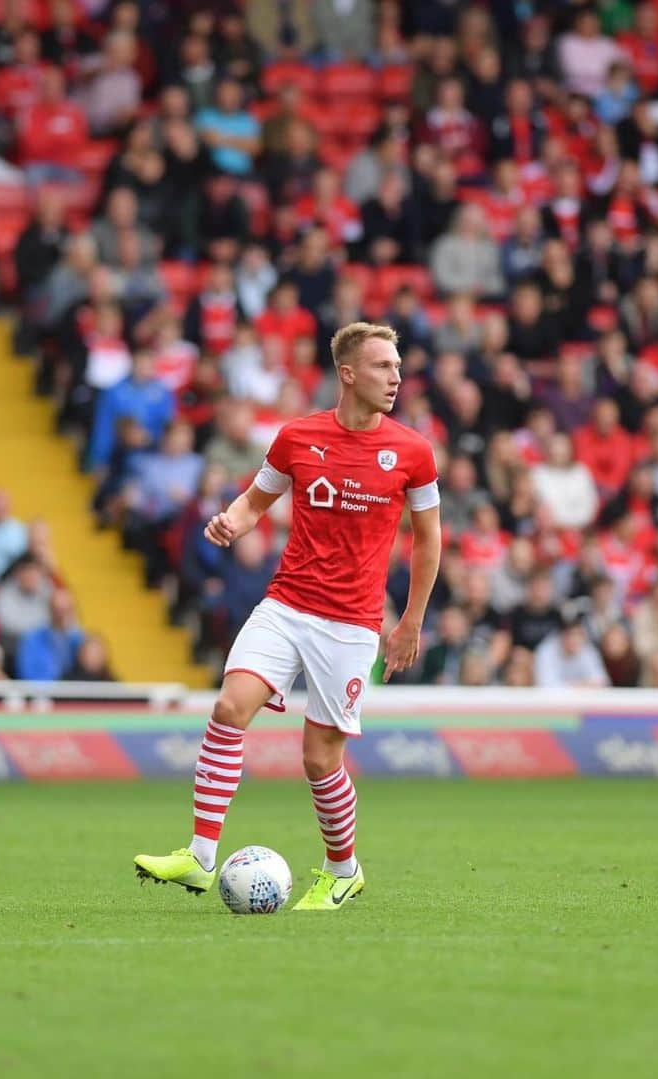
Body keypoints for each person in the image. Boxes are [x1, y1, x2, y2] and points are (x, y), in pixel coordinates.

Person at [134, 322, 441, 911]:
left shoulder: (413, 453)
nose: (396, 376)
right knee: (228, 707)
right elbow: (255, 501)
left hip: (351, 624)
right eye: (382, 366)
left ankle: (343, 870)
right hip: (286, 604)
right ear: (347, 374)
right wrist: (231, 521)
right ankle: (200, 857)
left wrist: (410, 624)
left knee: (319, 759)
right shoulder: (297, 437)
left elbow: (428, 542)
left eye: (398, 366)